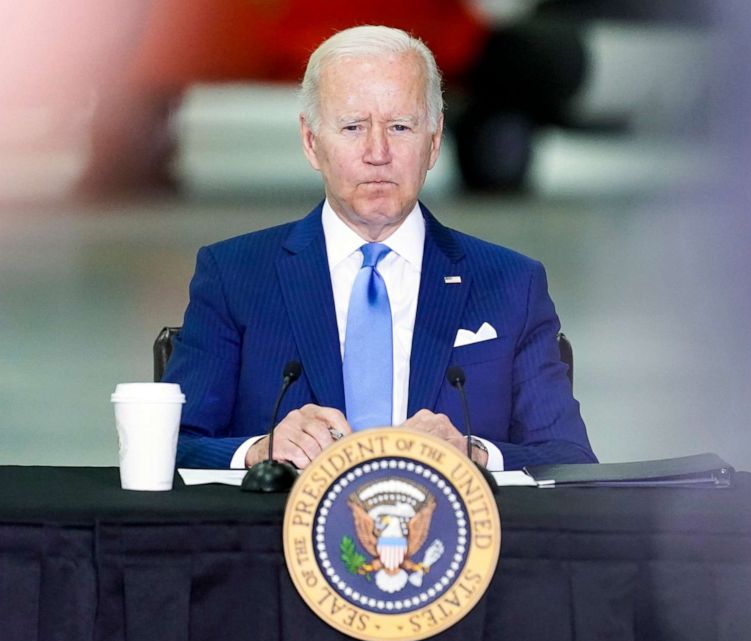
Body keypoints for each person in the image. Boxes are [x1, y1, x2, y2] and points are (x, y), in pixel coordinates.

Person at [163, 25, 596, 472]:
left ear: (433, 142)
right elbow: (171, 445)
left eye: (400, 126)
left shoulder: (511, 283)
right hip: (278, 537)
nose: (378, 152)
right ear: (312, 142)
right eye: (353, 127)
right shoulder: (234, 275)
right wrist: (259, 451)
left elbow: (571, 460)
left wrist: (476, 454)